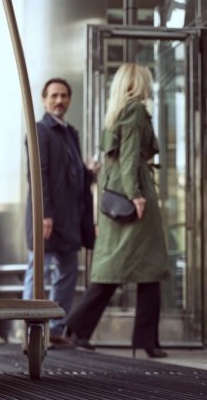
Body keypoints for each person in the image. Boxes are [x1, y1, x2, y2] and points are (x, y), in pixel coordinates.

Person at [64, 63, 170, 358]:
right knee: (147, 268)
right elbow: (129, 158)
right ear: (139, 83)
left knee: (118, 269)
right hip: (132, 197)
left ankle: (78, 329)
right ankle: (143, 340)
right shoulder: (136, 111)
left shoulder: (116, 113)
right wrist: (137, 196)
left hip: (114, 200)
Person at [23, 78, 99, 347]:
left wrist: (88, 172)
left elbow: (72, 173)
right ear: (44, 99)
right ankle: (31, 327)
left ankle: (55, 330)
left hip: (69, 217)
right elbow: (38, 174)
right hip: (48, 215)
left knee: (67, 271)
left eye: (64, 95)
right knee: (38, 269)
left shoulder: (70, 133)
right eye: (54, 95)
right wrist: (45, 214)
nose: (59, 100)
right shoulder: (39, 130)